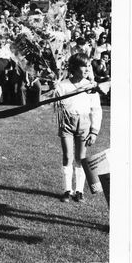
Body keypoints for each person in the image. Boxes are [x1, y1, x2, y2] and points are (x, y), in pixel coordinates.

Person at [53, 53, 102, 203]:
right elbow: (57, 107)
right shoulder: (63, 85)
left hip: (84, 124)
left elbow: (96, 109)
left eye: (88, 66)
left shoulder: (91, 86)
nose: (87, 69)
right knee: (68, 156)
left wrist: (94, 131)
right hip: (67, 124)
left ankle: (79, 191)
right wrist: (56, 90)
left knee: (81, 158)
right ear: (74, 68)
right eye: (84, 66)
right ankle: (68, 190)